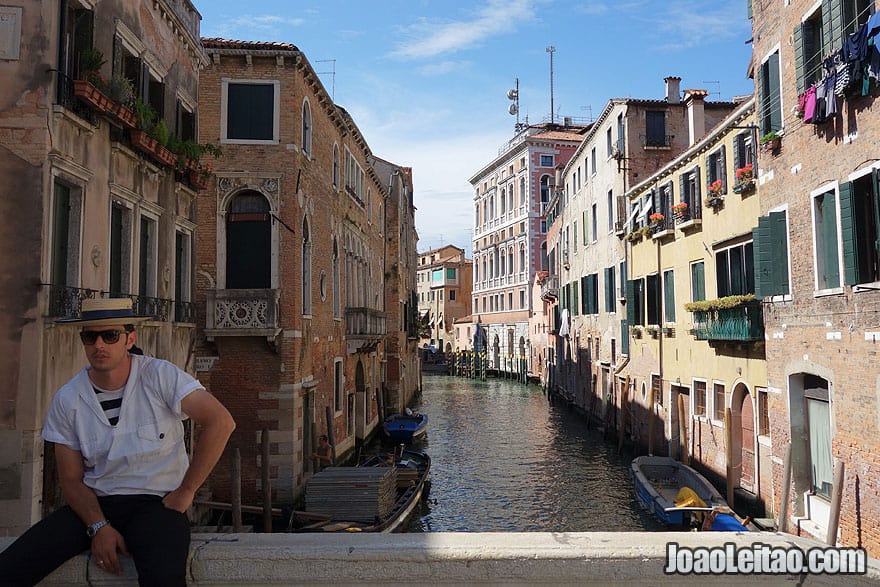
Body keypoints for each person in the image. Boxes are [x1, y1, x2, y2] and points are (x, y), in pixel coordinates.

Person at [0, 298, 235, 586]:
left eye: (110, 335)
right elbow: (71, 480)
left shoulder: (160, 376)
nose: (99, 345)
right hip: (95, 504)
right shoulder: (68, 399)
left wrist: (187, 491)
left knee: (164, 579)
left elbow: (221, 422)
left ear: (129, 339)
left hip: (157, 505)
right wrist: (99, 526)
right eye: (90, 336)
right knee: (10, 569)